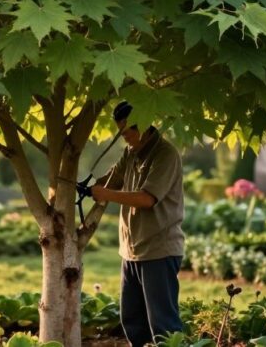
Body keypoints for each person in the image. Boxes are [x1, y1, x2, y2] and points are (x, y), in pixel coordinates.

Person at [87, 101, 185, 347]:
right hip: (131, 251)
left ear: (143, 123)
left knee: (163, 325)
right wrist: (89, 187)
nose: (124, 137)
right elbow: (111, 180)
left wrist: (105, 194)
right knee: (132, 321)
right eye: (120, 132)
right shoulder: (130, 153)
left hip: (158, 250)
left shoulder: (165, 154)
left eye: (127, 131)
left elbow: (146, 198)